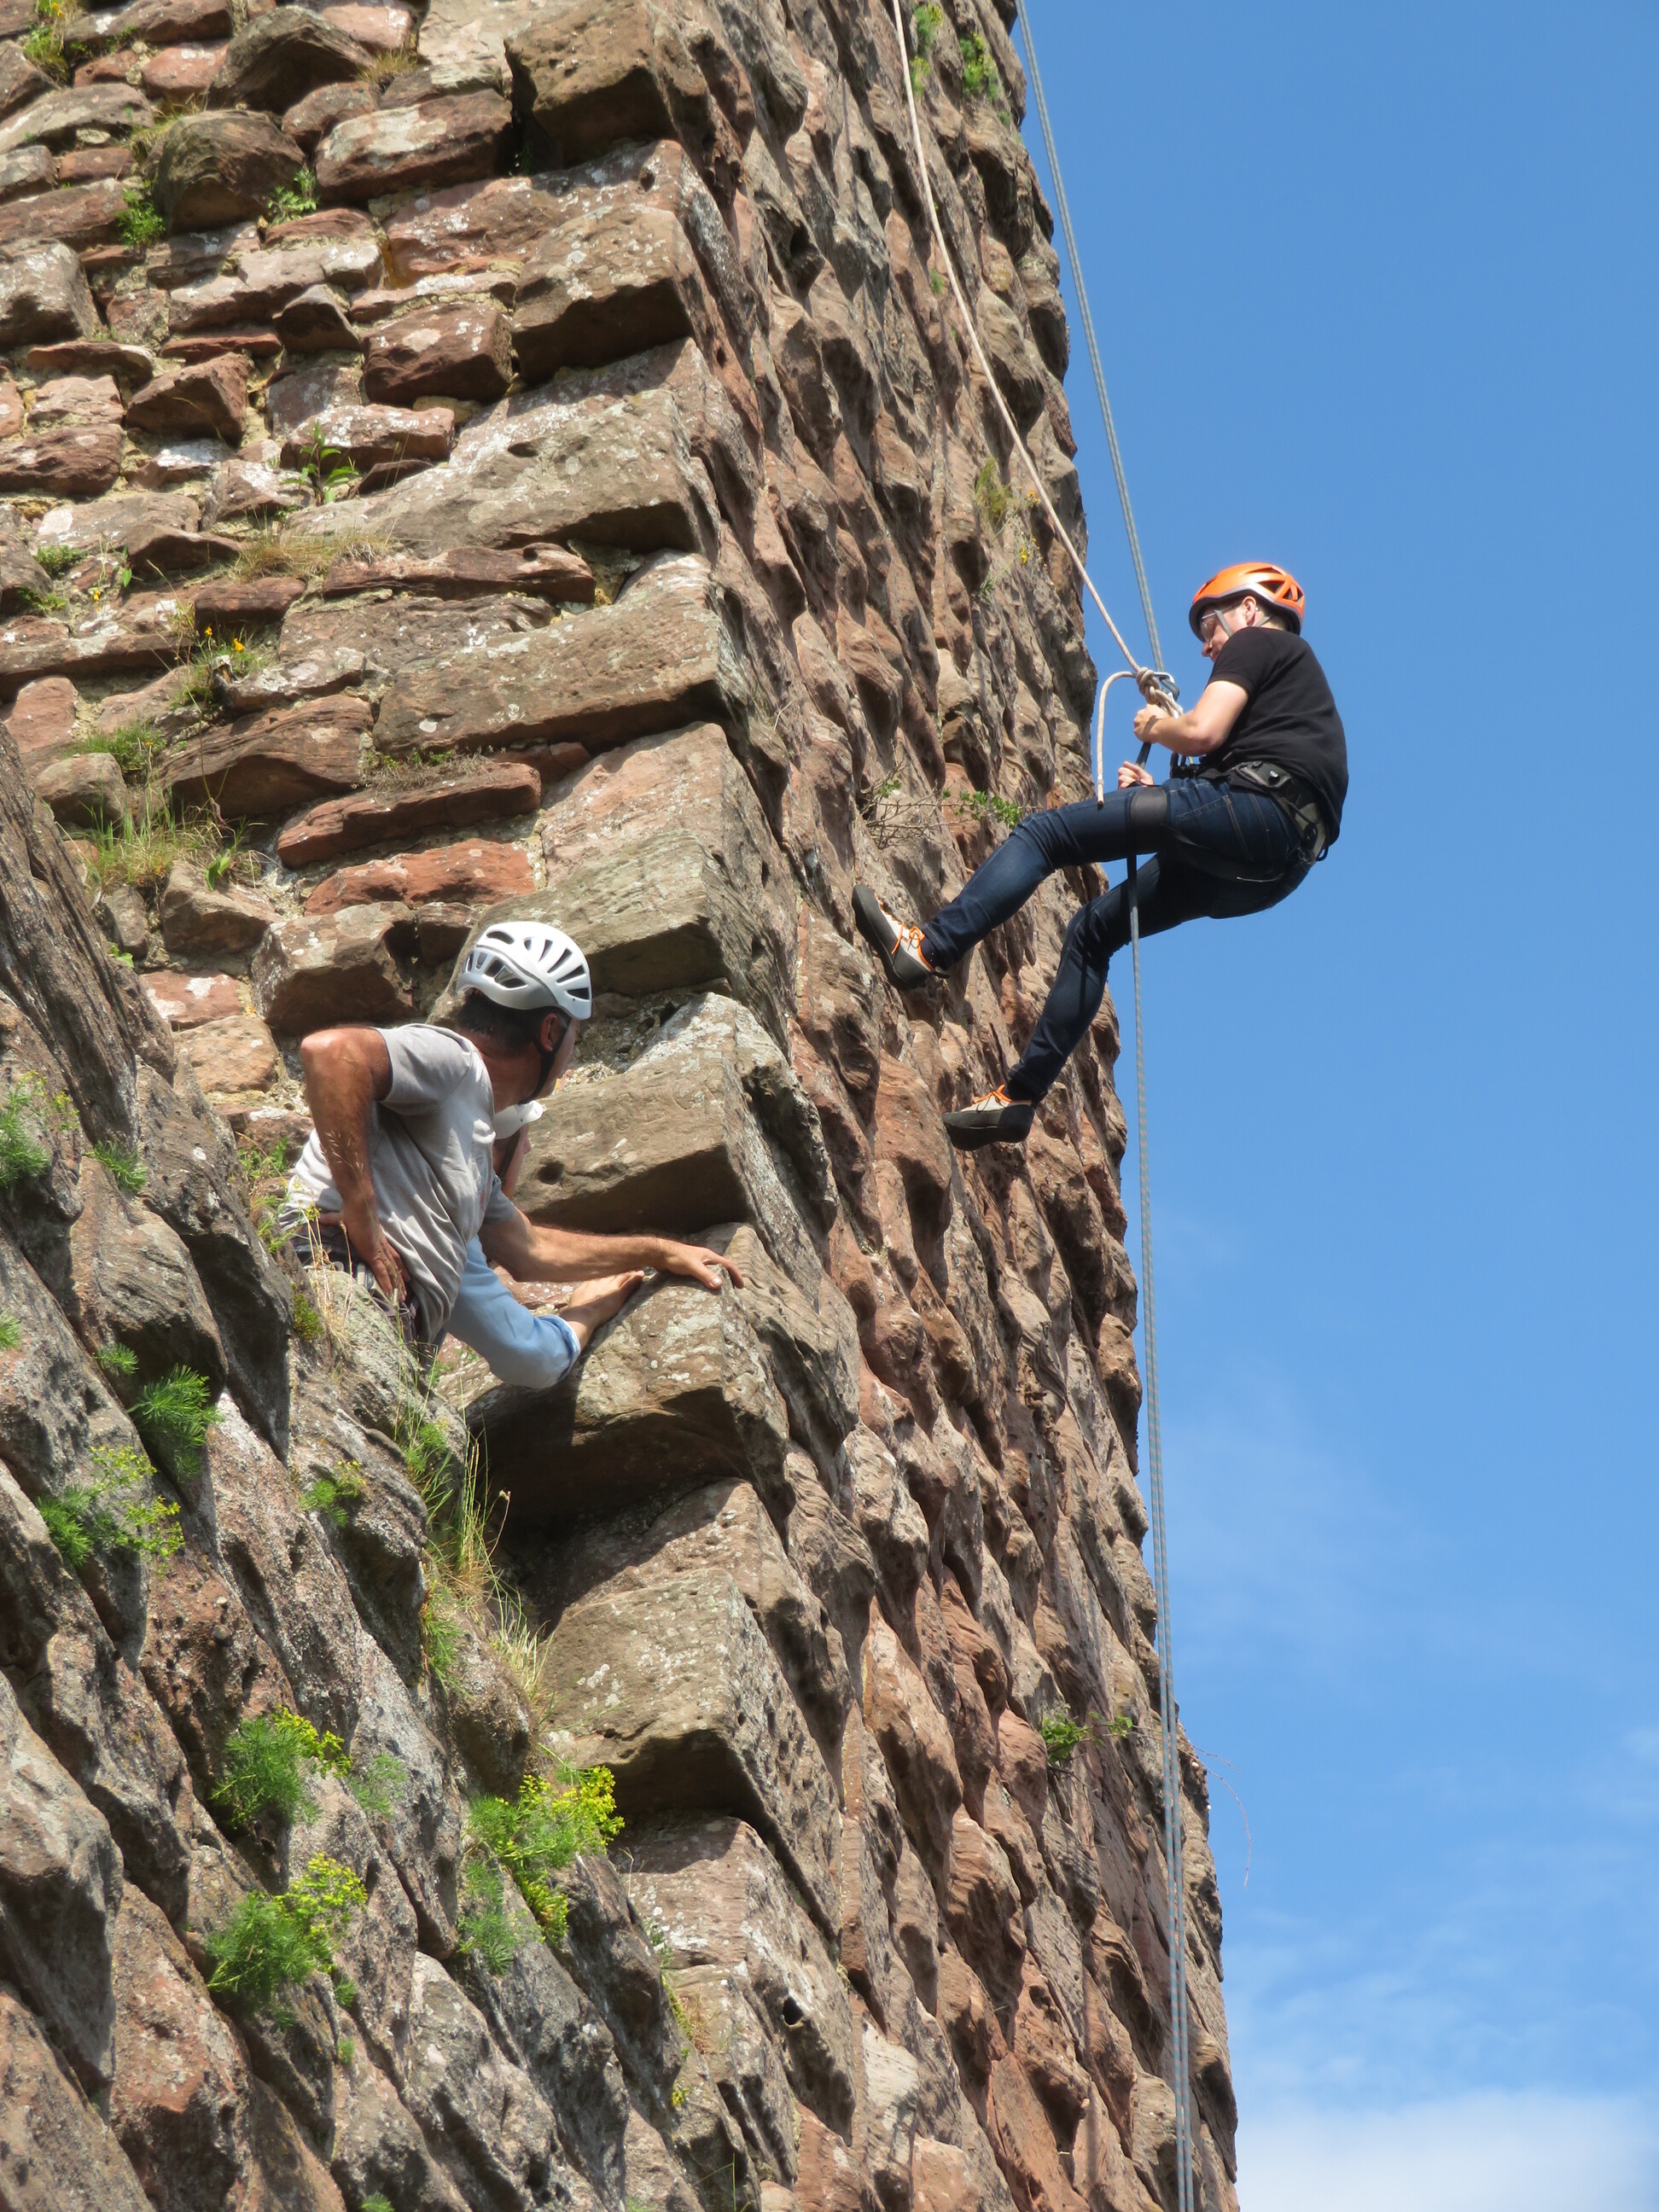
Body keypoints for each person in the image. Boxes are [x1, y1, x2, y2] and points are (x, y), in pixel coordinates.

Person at [853, 562, 1347, 1149]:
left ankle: (927, 950)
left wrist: (1158, 725)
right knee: (1093, 932)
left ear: (1248, 609)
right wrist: (1156, 791)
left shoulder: (1258, 643)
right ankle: (1018, 1099)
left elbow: (1202, 732)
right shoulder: (1293, 696)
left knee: (1046, 835)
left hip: (1258, 811)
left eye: (1210, 626)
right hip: (1275, 866)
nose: (1207, 646)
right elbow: (1222, 778)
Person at [282, 919, 742, 1352]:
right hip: (343, 1277)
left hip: (380, 1314)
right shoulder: (458, 1060)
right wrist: (362, 1212)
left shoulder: (470, 1139)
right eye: (575, 1033)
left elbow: (531, 1249)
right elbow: (331, 1054)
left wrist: (659, 1253)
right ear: (550, 1031)